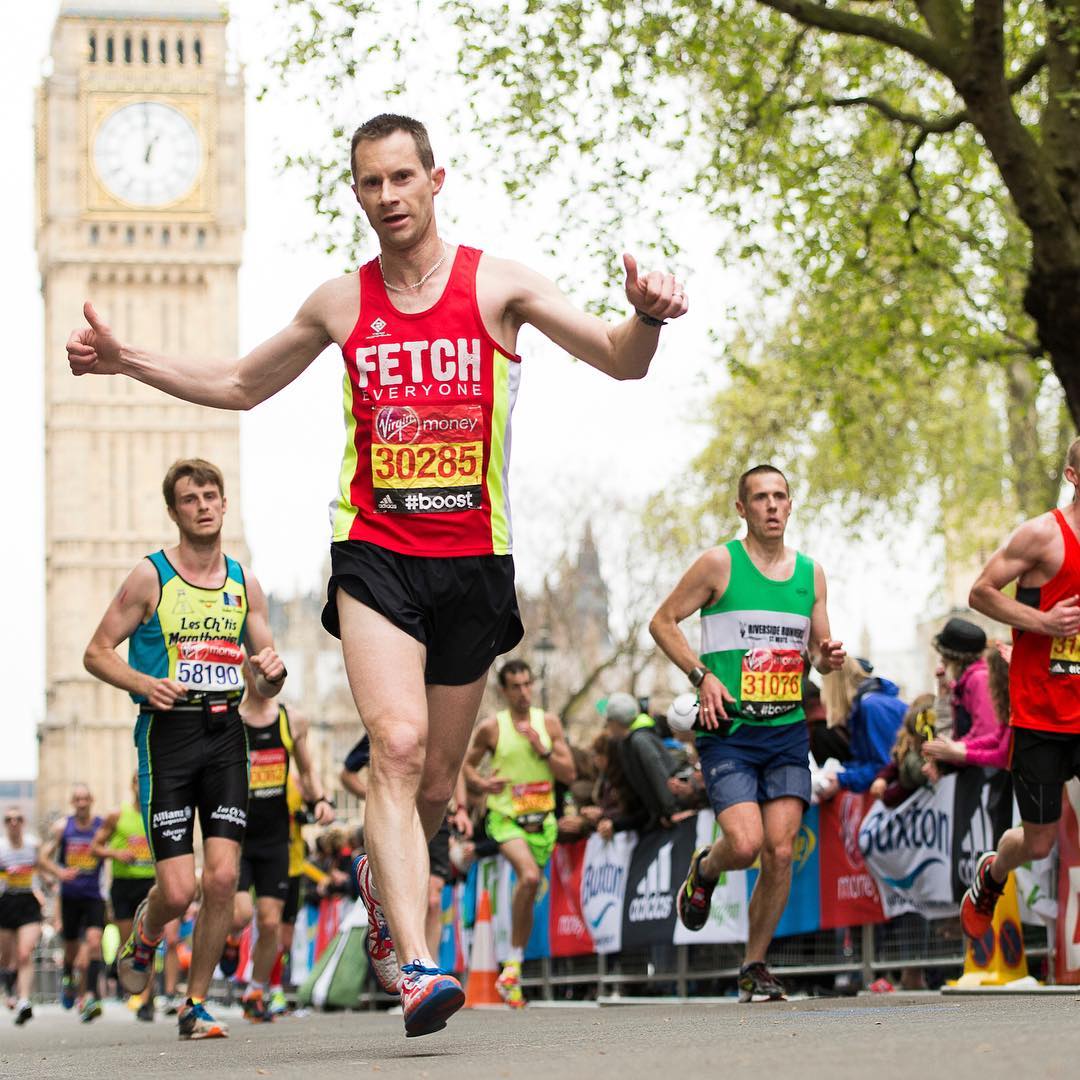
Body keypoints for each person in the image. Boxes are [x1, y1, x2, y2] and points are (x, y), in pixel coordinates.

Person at [67, 113, 688, 1037]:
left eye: (404, 178)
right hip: (377, 556)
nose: (389, 197)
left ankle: (379, 873)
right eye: (371, 183)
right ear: (356, 193)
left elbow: (617, 360)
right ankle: (419, 965)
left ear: (437, 181)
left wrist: (645, 314)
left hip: (474, 565)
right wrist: (128, 363)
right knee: (392, 748)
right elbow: (241, 383)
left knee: (436, 785)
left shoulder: (499, 284)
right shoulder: (340, 302)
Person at [81, 458, 286, 1040]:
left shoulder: (245, 585)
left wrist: (270, 672)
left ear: (225, 504)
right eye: (190, 498)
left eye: (211, 495)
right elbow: (96, 651)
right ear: (174, 512)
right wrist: (145, 684)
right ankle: (147, 931)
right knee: (178, 889)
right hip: (166, 737)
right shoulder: (151, 577)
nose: (203, 505)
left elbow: (265, 679)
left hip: (226, 736)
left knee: (222, 879)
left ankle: (193, 1004)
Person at [649, 463, 845, 1002]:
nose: (772, 506)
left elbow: (818, 654)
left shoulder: (812, 573)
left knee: (780, 853)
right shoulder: (719, 564)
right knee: (745, 842)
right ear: (742, 509)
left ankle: (754, 965)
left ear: (790, 504)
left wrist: (826, 658)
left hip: (785, 731)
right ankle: (705, 870)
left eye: (780, 496)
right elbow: (662, 622)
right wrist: (701, 674)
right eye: (760, 498)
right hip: (729, 730)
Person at [963, 436, 1080, 938]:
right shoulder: (1042, 536)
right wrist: (1042, 622)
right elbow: (980, 592)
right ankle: (991, 876)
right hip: (1041, 715)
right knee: (1037, 843)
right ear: (1073, 477)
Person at [463, 659, 575, 1007]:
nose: (524, 692)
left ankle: (513, 965)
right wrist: (483, 783)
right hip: (506, 817)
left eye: (528, 684)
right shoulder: (491, 729)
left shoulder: (549, 723)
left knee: (529, 889)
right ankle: (511, 966)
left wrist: (542, 748)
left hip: (542, 820)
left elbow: (569, 773)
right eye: (517, 686)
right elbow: (465, 766)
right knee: (527, 878)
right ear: (504, 691)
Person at [223, 671, 334, 1023]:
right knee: (241, 915)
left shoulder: (291, 720)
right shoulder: (231, 720)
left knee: (270, 923)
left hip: (276, 840)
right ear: (243, 673)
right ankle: (225, 936)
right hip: (237, 837)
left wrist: (319, 799)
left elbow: (307, 768)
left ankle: (256, 989)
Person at [341, 734, 472, 971]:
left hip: (436, 817)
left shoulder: (439, 718)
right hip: (395, 818)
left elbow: (455, 765)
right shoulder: (389, 726)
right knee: (405, 898)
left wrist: (461, 808)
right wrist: (374, 797)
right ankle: (406, 967)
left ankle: (428, 972)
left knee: (433, 900)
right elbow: (347, 775)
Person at [40, 784, 106, 1022]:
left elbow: (112, 848)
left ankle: (90, 995)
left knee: (94, 942)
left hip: (94, 896)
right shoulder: (62, 828)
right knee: (71, 950)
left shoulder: (101, 827)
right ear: (72, 802)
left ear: (91, 800)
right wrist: (59, 872)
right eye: (77, 799)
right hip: (69, 897)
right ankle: (68, 976)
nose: (81, 803)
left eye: (85, 799)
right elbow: (43, 858)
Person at [920, 620, 1011, 774]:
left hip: (983, 769)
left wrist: (954, 751)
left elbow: (987, 731)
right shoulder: (966, 681)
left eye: (944, 658)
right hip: (974, 763)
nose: (942, 662)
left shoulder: (978, 679)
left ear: (954, 658)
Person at [817, 656, 906, 798]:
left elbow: (887, 765)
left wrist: (842, 778)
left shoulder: (872, 706)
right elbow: (869, 761)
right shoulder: (861, 709)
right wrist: (839, 773)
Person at [603, 693, 686, 830]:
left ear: (615, 722)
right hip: (659, 814)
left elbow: (657, 774)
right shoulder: (626, 742)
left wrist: (670, 810)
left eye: (609, 722)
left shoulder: (639, 740)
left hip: (672, 812)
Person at [0, 806, 46, 1026]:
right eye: (9, 819)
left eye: (18, 819)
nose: (14, 823)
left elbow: (44, 867)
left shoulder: (33, 845)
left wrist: (55, 879)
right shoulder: (0, 847)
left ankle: (24, 1000)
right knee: (7, 958)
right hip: (6, 902)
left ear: (23, 822)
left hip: (28, 901)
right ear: (5, 824)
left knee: (24, 952)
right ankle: (9, 986)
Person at [869, 695, 938, 808]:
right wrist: (882, 778)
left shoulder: (919, 756)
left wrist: (887, 796)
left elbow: (910, 784)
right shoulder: (907, 743)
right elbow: (896, 763)